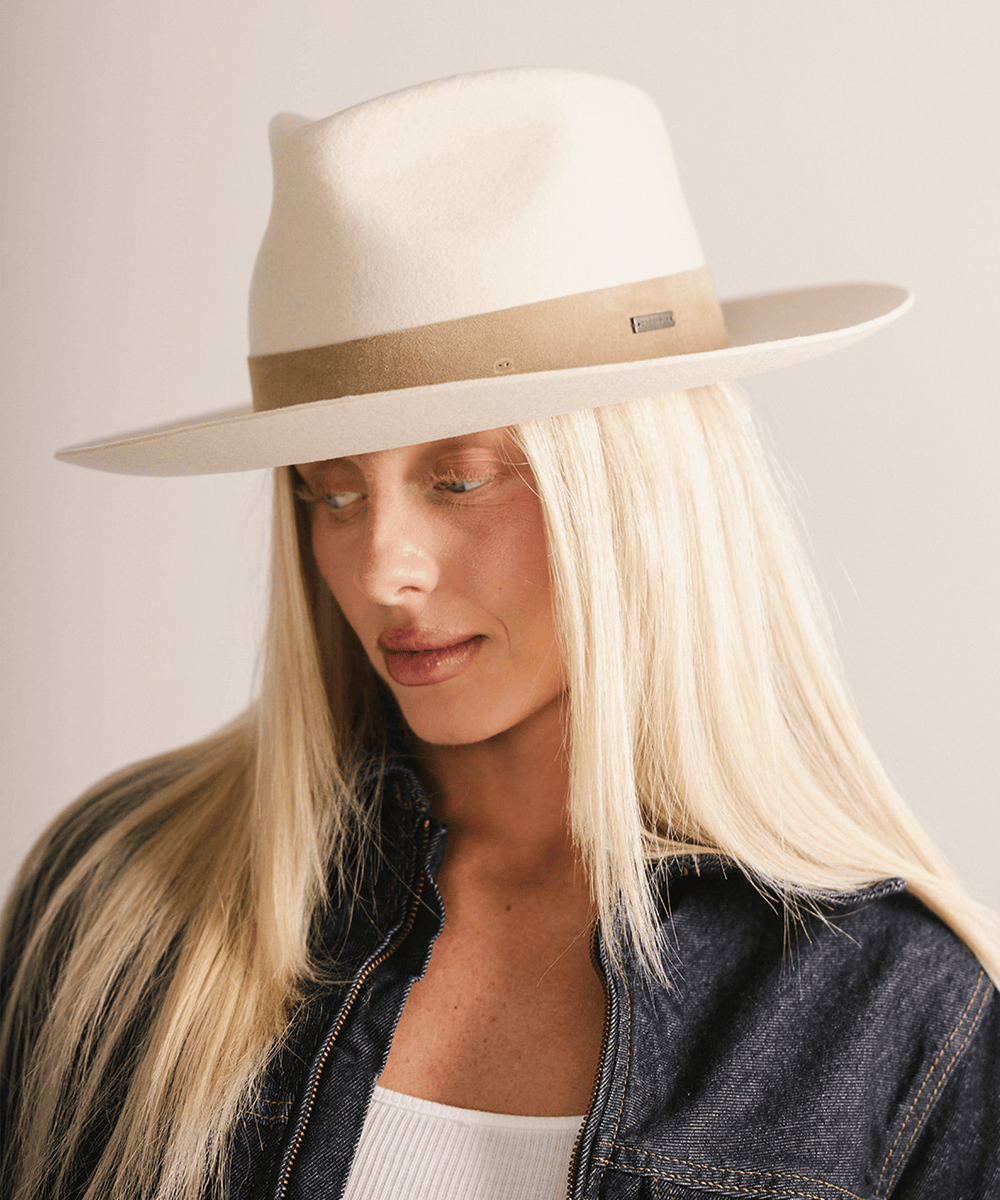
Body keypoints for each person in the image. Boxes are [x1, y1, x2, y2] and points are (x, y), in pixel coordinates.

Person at [1, 68, 997, 1200]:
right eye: (330, 492)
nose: (382, 566)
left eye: (460, 479)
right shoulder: (123, 900)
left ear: (637, 491)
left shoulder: (897, 1010)